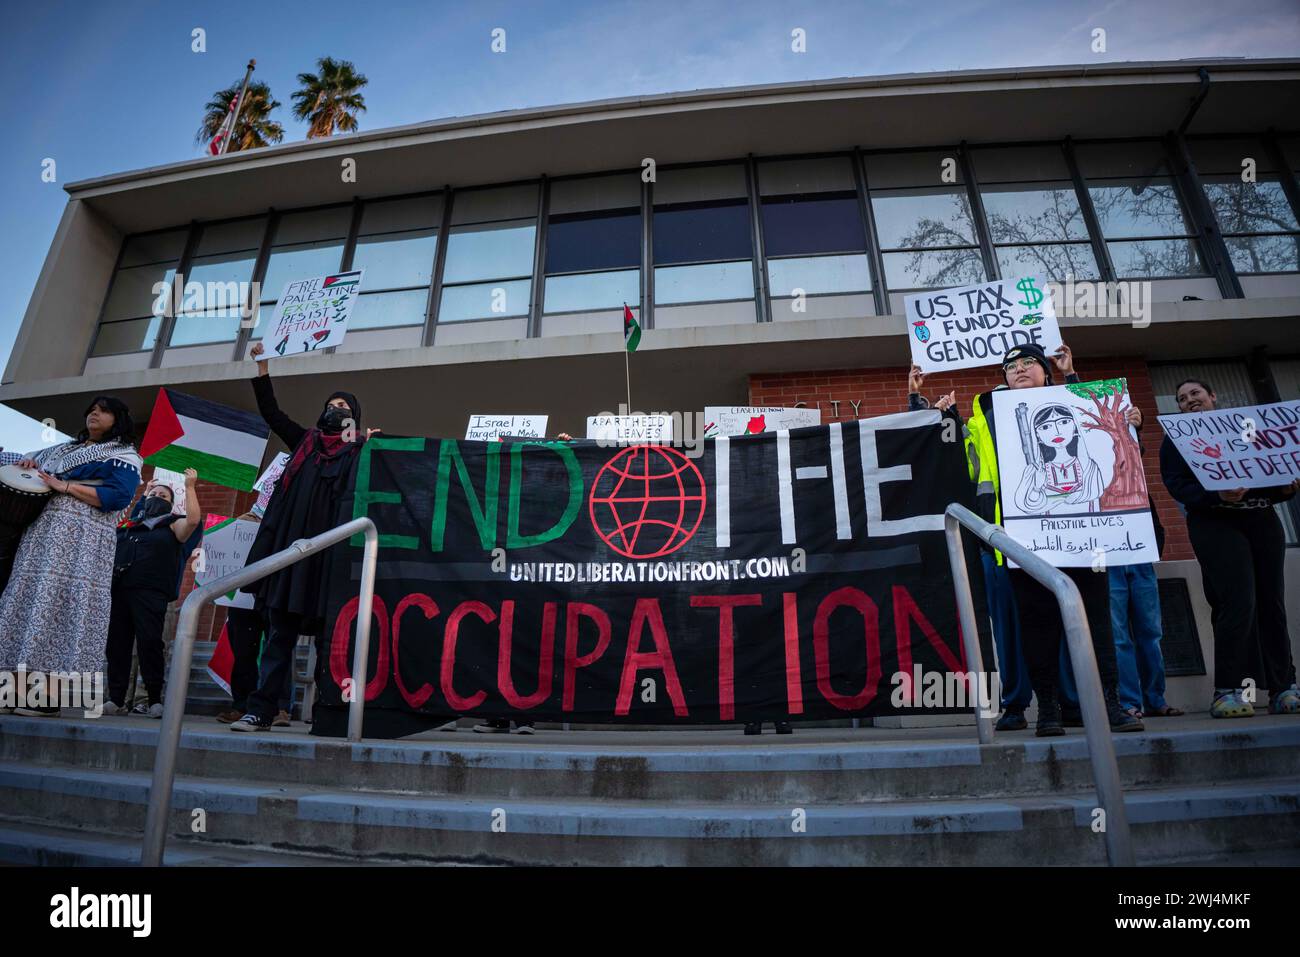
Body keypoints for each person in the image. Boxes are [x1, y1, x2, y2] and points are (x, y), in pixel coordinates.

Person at [959, 343, 1143, 736]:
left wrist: (1077, 380)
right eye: (1010, 367)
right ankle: (1049, 711)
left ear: (1046, 371)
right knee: (1037, 626)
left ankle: (1109, 704)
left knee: (1097, 622)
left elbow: (1108, 444)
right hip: (1023, 542)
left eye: (1028, 363)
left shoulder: (1083, 440)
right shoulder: (989, 419)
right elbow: (975, 471)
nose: (1019, 369)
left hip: (1086, 542)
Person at [230, 341, 375, 731]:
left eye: (344, 408)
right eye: (332, 405)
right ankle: (261, 709)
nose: (336, 410)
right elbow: (271, 412)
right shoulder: (305, 442)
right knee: (279, 637)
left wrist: (376, 445)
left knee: (331, 641)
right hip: (291, 557)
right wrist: (262, 367)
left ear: (355, 419)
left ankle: (328, 715)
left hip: (330, 561)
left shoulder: (361, 452)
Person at [1159, 378, 1300, 719]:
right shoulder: (1176, 439)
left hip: (1262, 522)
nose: (1189, 400)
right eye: (1182, 398)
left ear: (1213, 396)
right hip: (1215, 523)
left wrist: (1286, 488)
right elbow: (1177, 485)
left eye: (1195, 394)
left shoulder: (1247, 429)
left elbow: (1272, 474)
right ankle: (1228, 691)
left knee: (1272, 603)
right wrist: (1215, 495)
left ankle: (1284, 687)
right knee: (1238, 603)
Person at [0, 397, 141, 717]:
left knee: (59, 611)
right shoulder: (61, 449)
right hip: (39, 542)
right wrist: (29, 465)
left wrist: (63, 486)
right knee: (26, 607)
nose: (94, 413)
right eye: (92, 408)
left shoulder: (124, 455)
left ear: (117, 420)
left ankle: (45, 700)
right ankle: (11, 693)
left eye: (103, 410)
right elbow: (21, 462)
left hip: (82, 548)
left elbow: (117, 496)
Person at [908, 366, 1032, 731]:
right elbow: (933, 450)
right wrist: (922, 404)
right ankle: (1018, 704)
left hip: (1056, 544)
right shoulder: (977, 429)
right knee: (1007, 632)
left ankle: (1073, 703)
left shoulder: (1053, 420)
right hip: (996, 548)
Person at [104, 469, 202, 717]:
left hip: (151, 592)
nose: (157, 496)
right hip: (120, 590)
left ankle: (154, 699)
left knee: (149, 643)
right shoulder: (129, 525)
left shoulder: (172, 525)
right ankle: (116, 699)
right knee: (117, 645)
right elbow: (133, 512)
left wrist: (190, 487)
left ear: (171, 504)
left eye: (163, 495)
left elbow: (192, 521)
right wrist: (143, 494)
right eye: (154, 493)